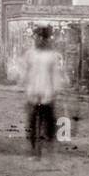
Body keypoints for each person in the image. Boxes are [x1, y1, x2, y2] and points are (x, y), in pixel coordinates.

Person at [23, 26, 64, 158]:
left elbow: (55, 75)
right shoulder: (30, 54)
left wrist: (55, 90)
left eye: (42, 37)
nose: (39, 40)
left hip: (47, 91)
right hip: (33, 91)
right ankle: (34, 149)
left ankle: (50, 146)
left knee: (49, 120)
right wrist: (27, 88)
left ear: (46, 39)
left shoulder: (52, 56)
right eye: (37, 37)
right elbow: (26, 72)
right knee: (32, 122)